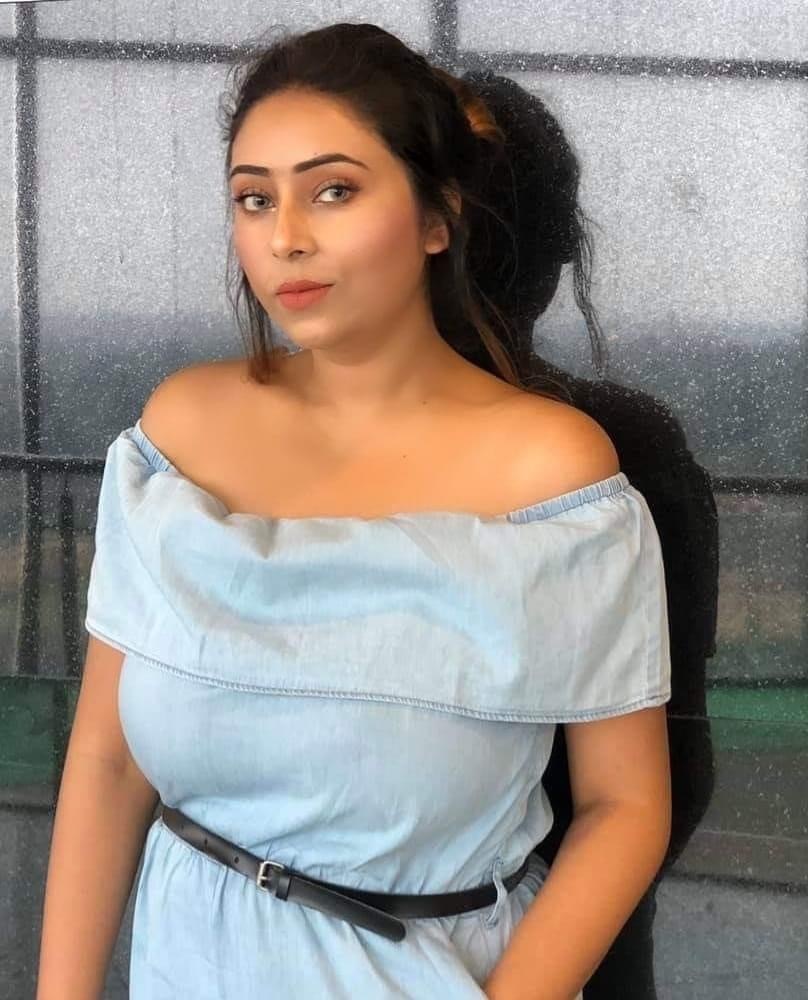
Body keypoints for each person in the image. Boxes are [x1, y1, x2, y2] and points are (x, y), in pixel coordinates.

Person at [37, 21, 672, 1000]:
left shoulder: (549, 475)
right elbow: (109, 758)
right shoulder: (181, 435)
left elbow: (625, 805)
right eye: (255, 198)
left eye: (333, 189)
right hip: (189, 962)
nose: (285, 235)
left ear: (437, 216)